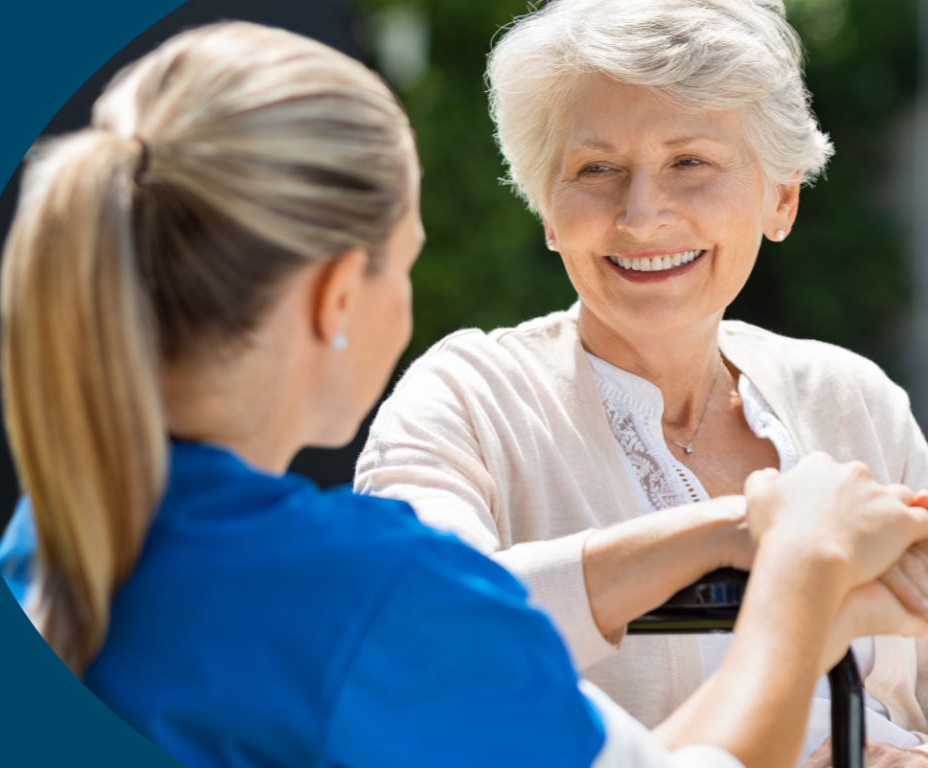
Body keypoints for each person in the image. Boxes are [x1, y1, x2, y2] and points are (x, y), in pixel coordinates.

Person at [0, 19, 928, 768]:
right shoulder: (376, 592)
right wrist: (798, 581)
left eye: (691, 161)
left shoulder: (56, 536)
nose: (642, 213)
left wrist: (753, 549)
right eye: (407, 261)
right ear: (334, 299)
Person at [351, 0, 928, 764]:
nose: (641, 215)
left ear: (780, 197)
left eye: (690, 162)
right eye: (597, 169)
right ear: (548, 209)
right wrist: (748, 534)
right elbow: (415, 630)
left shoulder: (853, 398)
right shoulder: (468, 397)